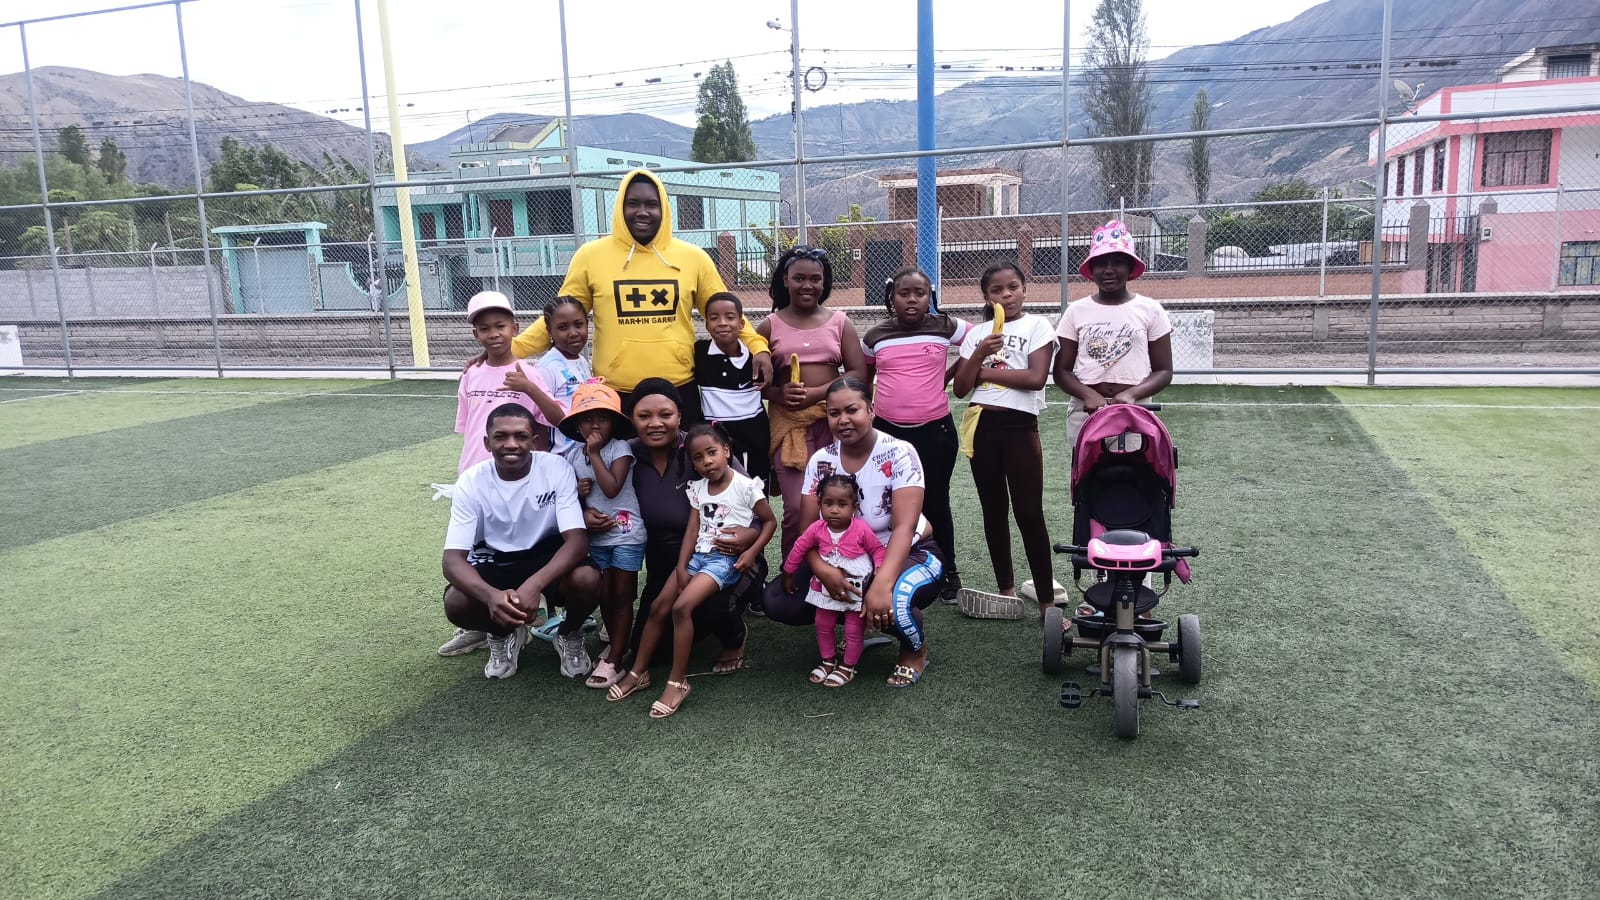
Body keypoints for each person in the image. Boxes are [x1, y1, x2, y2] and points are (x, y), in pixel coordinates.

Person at [501, 169, 772, 419]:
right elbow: (559, 317)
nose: (642, 212)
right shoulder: (590, 257)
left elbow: (727, 312)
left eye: (651, 204)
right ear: (621, 207)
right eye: (633, 203)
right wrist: (507, 351)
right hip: (614, 392)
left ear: (663, 208)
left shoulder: (694, 258)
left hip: (679, 388)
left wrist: (758, 347)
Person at [762, 376, 946, 688]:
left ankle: (914, 650)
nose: (843, 420)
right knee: (779, 600)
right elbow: (808, 529)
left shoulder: (899, 452)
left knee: (892, 600)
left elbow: (904, 526)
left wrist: (882, 583)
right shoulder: (822, 460)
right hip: (841, 557)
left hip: (907, 552)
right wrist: (823, 570)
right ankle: (854, 625)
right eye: (834, 413)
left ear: (871, 410)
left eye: (852, 410)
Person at [608, 423, 776, 718]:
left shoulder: (746, 486)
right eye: (698, 458)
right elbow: (692, 530)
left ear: (726, 451)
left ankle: (678, 682)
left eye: (712, 453)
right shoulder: (698, 489)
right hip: (697, 557)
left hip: (724, 561)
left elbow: (770, 521)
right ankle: (638, 672)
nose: (707, 462)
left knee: (681, 607)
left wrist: (750, 552)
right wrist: (682, 566)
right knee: (659, 606)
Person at [603, 378, 762, 680]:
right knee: (650, 652)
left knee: (710, 607)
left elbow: (755, 505)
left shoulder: (702, 449)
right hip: (669, 569)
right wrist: (588, 513)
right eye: (644, 416)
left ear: (679, 415)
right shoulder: (626, 456)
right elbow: (600, 493)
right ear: (631, 419)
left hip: (724, 556)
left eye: (665, 414)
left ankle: (733, 635)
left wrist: (750, 534)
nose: (655, 423)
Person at [438, 291, 566, 659]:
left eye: (500, 326)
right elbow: (469, 428)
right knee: (477, 553)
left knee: (526, 547)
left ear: (515, 327)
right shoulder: (471, 372)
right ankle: (485, 626)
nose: (493, 334)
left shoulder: (530, 373)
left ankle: (536, 613)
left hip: (520, 479)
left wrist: (529, 388)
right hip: (476, 480)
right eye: (484, 328)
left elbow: (555, 420)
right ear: (475, 334)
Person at [441, 402, 601, 680]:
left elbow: (576, 542)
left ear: (534, 441)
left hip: (547, 556)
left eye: (521, 436)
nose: (511, 444)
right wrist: (491, 597)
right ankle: (504, 632)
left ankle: (569, 632)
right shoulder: (471, 482)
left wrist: (534, 585)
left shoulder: (556, 468)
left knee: (587, 579)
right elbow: (452, 560)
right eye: (501, 436)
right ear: (487, 443)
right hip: (497, 560)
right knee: (456, 602)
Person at [952, 262, 1060, 621]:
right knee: (993, 510)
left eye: (1013, 287)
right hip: (982, 424)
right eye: (997, 291)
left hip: (1020, 426)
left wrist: (982, 370)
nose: (1006, 295)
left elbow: (1035, 377)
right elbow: (961, 388)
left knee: (1028, 512)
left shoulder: (1037, 326)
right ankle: (1006, 591)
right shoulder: (979, 334)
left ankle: (1046, 602)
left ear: (1025, 290)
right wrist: (979, 352)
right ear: (987, 297)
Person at [860, 266, 972, 603]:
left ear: (930, 296)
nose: (912, 300)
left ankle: (948, 570)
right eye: (904, 293)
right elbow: (864, 378)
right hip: (887, 434)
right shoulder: (874, 336)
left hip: (936, 431)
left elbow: (978, 341)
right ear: (891, 298)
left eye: (920, 293)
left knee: (935, 500)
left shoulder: (946, 326)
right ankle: (888, 567)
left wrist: (948, 375)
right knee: (886, 504)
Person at [759, 246, 867, 557]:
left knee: (837, 502)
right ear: (785, 280)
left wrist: (818, 393)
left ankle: (837, 565)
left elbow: (858, 373)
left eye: (815, 279)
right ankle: (793, 572)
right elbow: (754, 381)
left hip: (834, 423)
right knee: (796, 507)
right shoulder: (769, 325)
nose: (808, 285)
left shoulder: (840, 322)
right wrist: (778, 394)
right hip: (789, 426)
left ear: (824, 282)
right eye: (799, 278)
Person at [1053, 220, 1174, 449]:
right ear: (1091, 270)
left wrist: (1132, 394)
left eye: (1118, 262)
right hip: (1086, 410)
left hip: (1135, 409)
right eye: (1100, 263)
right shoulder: (1076, 311)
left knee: (1133, 469)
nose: (1108, 270)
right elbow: (1061, 371)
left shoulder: (1150, 310)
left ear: (1130, 268)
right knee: (1087, 470)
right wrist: (1087, 395)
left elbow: (1164, 371)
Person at [558, 379, 645, 689]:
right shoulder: (572, 456)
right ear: (576, 424)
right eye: (587, 418)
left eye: (603, 418)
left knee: (622, 594)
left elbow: (611, 488)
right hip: (596, 537)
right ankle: (616, 646)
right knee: (606, 593)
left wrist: (594, 454)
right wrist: (579, 494)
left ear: (614, 423)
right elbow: (569, 500)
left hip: (626, 533)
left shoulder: (619, 449)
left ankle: (617, 658)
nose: (594, 425)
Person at [783, 473, 885, 689]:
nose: (835, 510)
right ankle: (828, 661)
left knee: (853, 628)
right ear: (819, 504)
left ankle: (848, 666)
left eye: (842, 504)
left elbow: (877, 549)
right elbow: (800, 547)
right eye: (828, 504)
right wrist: (788, 572)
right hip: (825, 586)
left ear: (854, 507)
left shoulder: (860, 529)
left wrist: (879, 571)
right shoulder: (816, 529)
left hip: (855, 587)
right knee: (823, 623)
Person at [694, 291, 770, 485]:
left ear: (742, 324)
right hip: (717, 438)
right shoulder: (699, 353)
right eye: (714, 318)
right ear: (706, 324)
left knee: (757, 488)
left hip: (756, 436)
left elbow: (769, 389)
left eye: (730, 317)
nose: (722, 323)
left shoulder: (756, 357)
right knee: (723, 490)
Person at [513, 295, 590, 462]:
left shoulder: (581, 361)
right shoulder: (547, 367)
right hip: (562, 460)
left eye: (579, 324)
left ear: (587, 323)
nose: (573, 333)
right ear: (550, 331)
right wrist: (544, 463)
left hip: (584, 455)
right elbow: (537, 420)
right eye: (563, 327)